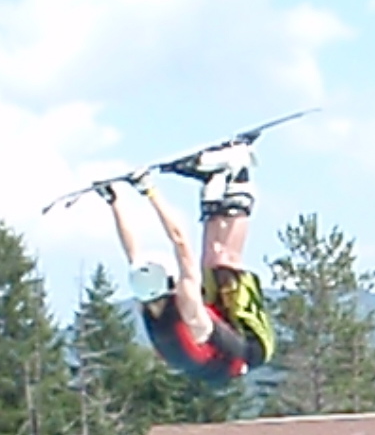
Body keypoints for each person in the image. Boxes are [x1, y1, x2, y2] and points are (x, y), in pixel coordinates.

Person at [95, 143, 275, 386]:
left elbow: (132, 251)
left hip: (214, 344)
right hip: (250, 348)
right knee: (224, 261)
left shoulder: (148, 301)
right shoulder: (187, 302)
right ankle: (240, 172)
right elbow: (179, 240)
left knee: (209, 263)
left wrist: (113, 201)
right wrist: (150, 191)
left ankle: (213, 183)